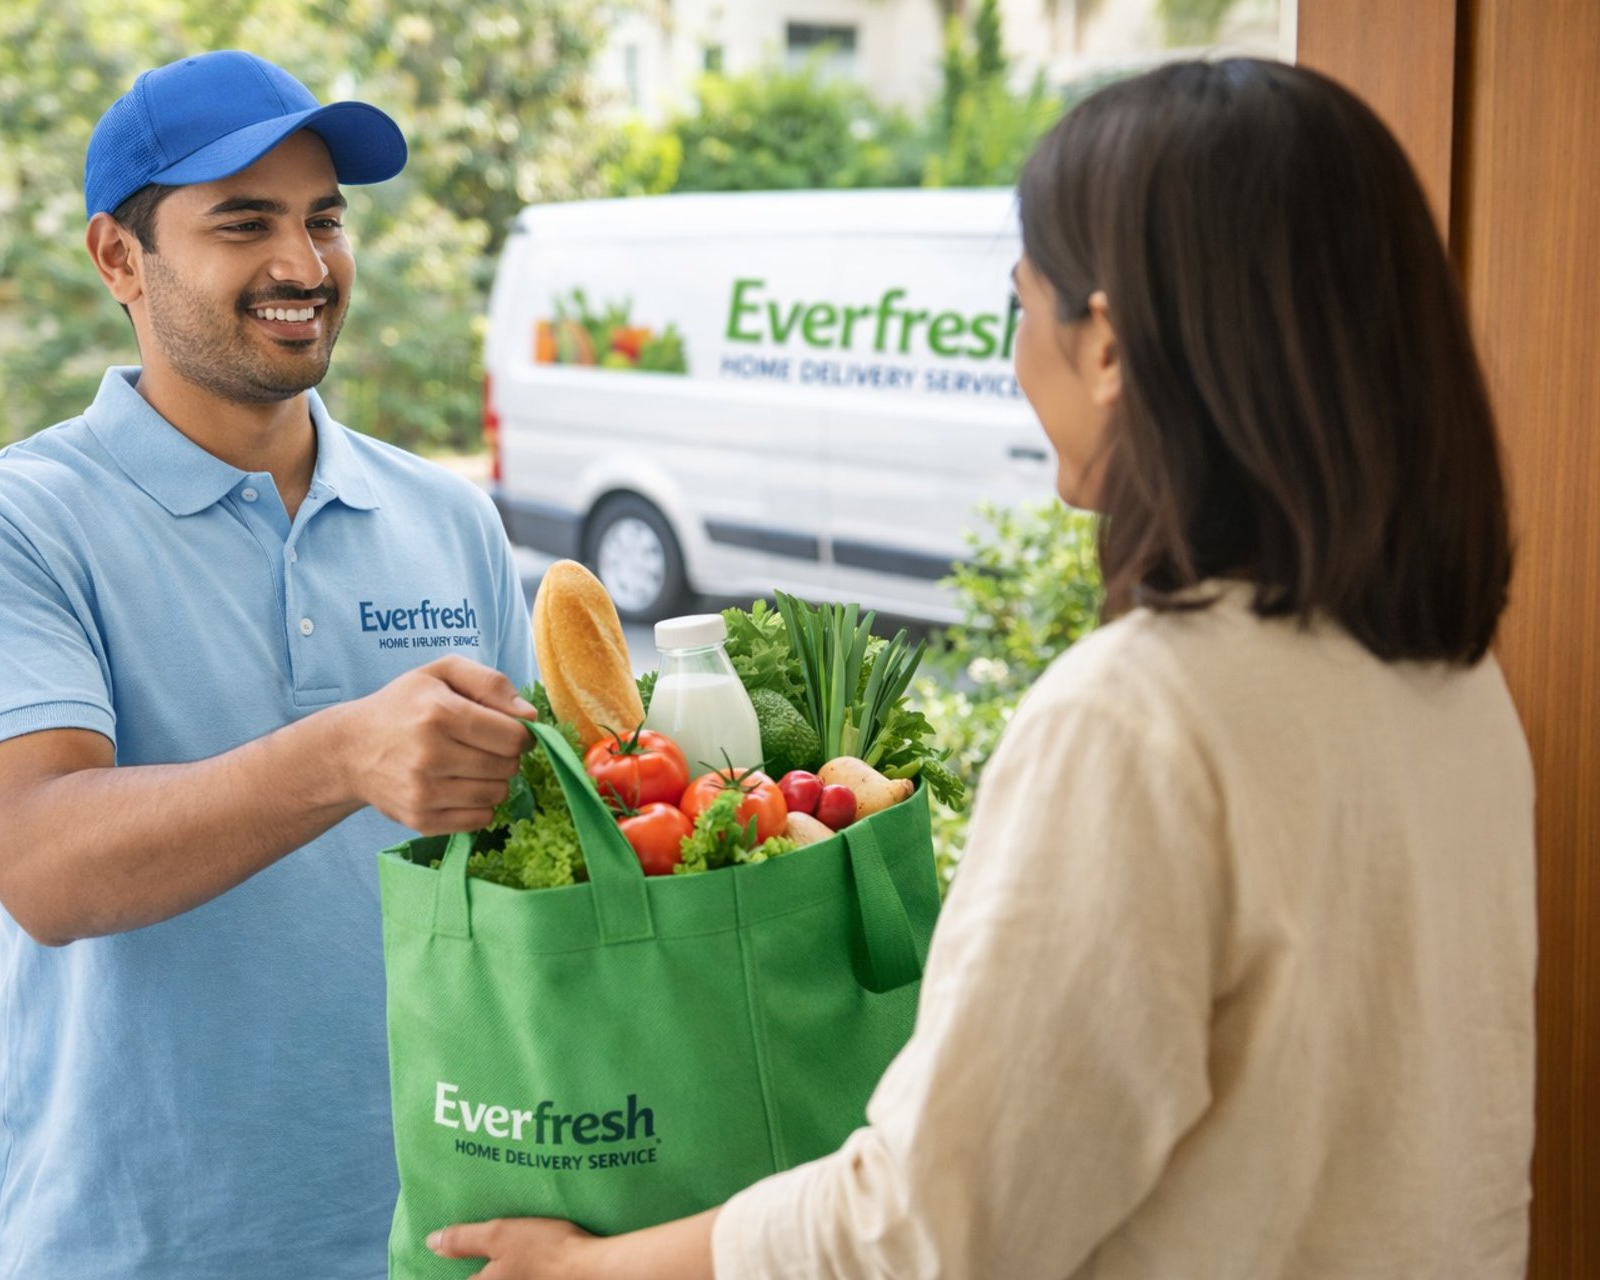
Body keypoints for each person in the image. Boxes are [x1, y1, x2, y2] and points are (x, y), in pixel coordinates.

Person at [429, 57, 1535, 1280]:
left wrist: (591, 1268)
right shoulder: (1451, 681)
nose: (1017, 358)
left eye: (1023, 305)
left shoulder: (1139, 717)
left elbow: (937, 1224)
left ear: (1105, 346)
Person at [0, 50, 537, 1278]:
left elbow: (530, 880)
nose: (303, 265)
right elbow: (44, 863)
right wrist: (343, 753)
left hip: (441, 1225)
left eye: (324, 220)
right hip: (141, 1242)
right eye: (245, 223)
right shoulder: (11, 524)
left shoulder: (448, 518)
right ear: (119, 258)